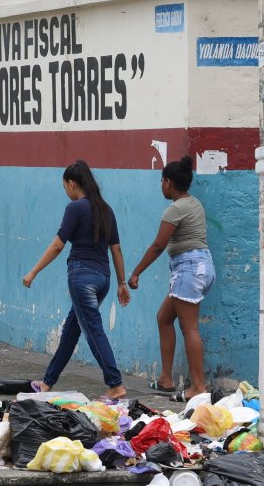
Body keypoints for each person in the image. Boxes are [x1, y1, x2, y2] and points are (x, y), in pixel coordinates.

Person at [23, 160, 130, 399]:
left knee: (93, 330)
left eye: (65, 187)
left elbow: (58, 245)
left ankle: (116, 384)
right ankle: (48, 382)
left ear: (71, 184)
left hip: (81, 277)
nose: (66, 191)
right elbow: (116, 249)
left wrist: (34, 272)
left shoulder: (75, 208)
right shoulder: (106, 209)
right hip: (103, 279)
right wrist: (121, 283)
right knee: (72, 330)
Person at [128, 156, 216, 402]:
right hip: (201, 266)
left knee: (190, 328)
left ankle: (198, 386)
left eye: (162, 181)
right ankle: (167, 378)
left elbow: (158, 245)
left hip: (188, 269)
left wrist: (136, 272)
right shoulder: (194, 203)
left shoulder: (175, 209)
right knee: (164, 318)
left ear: (168, 182)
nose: (161, 186)